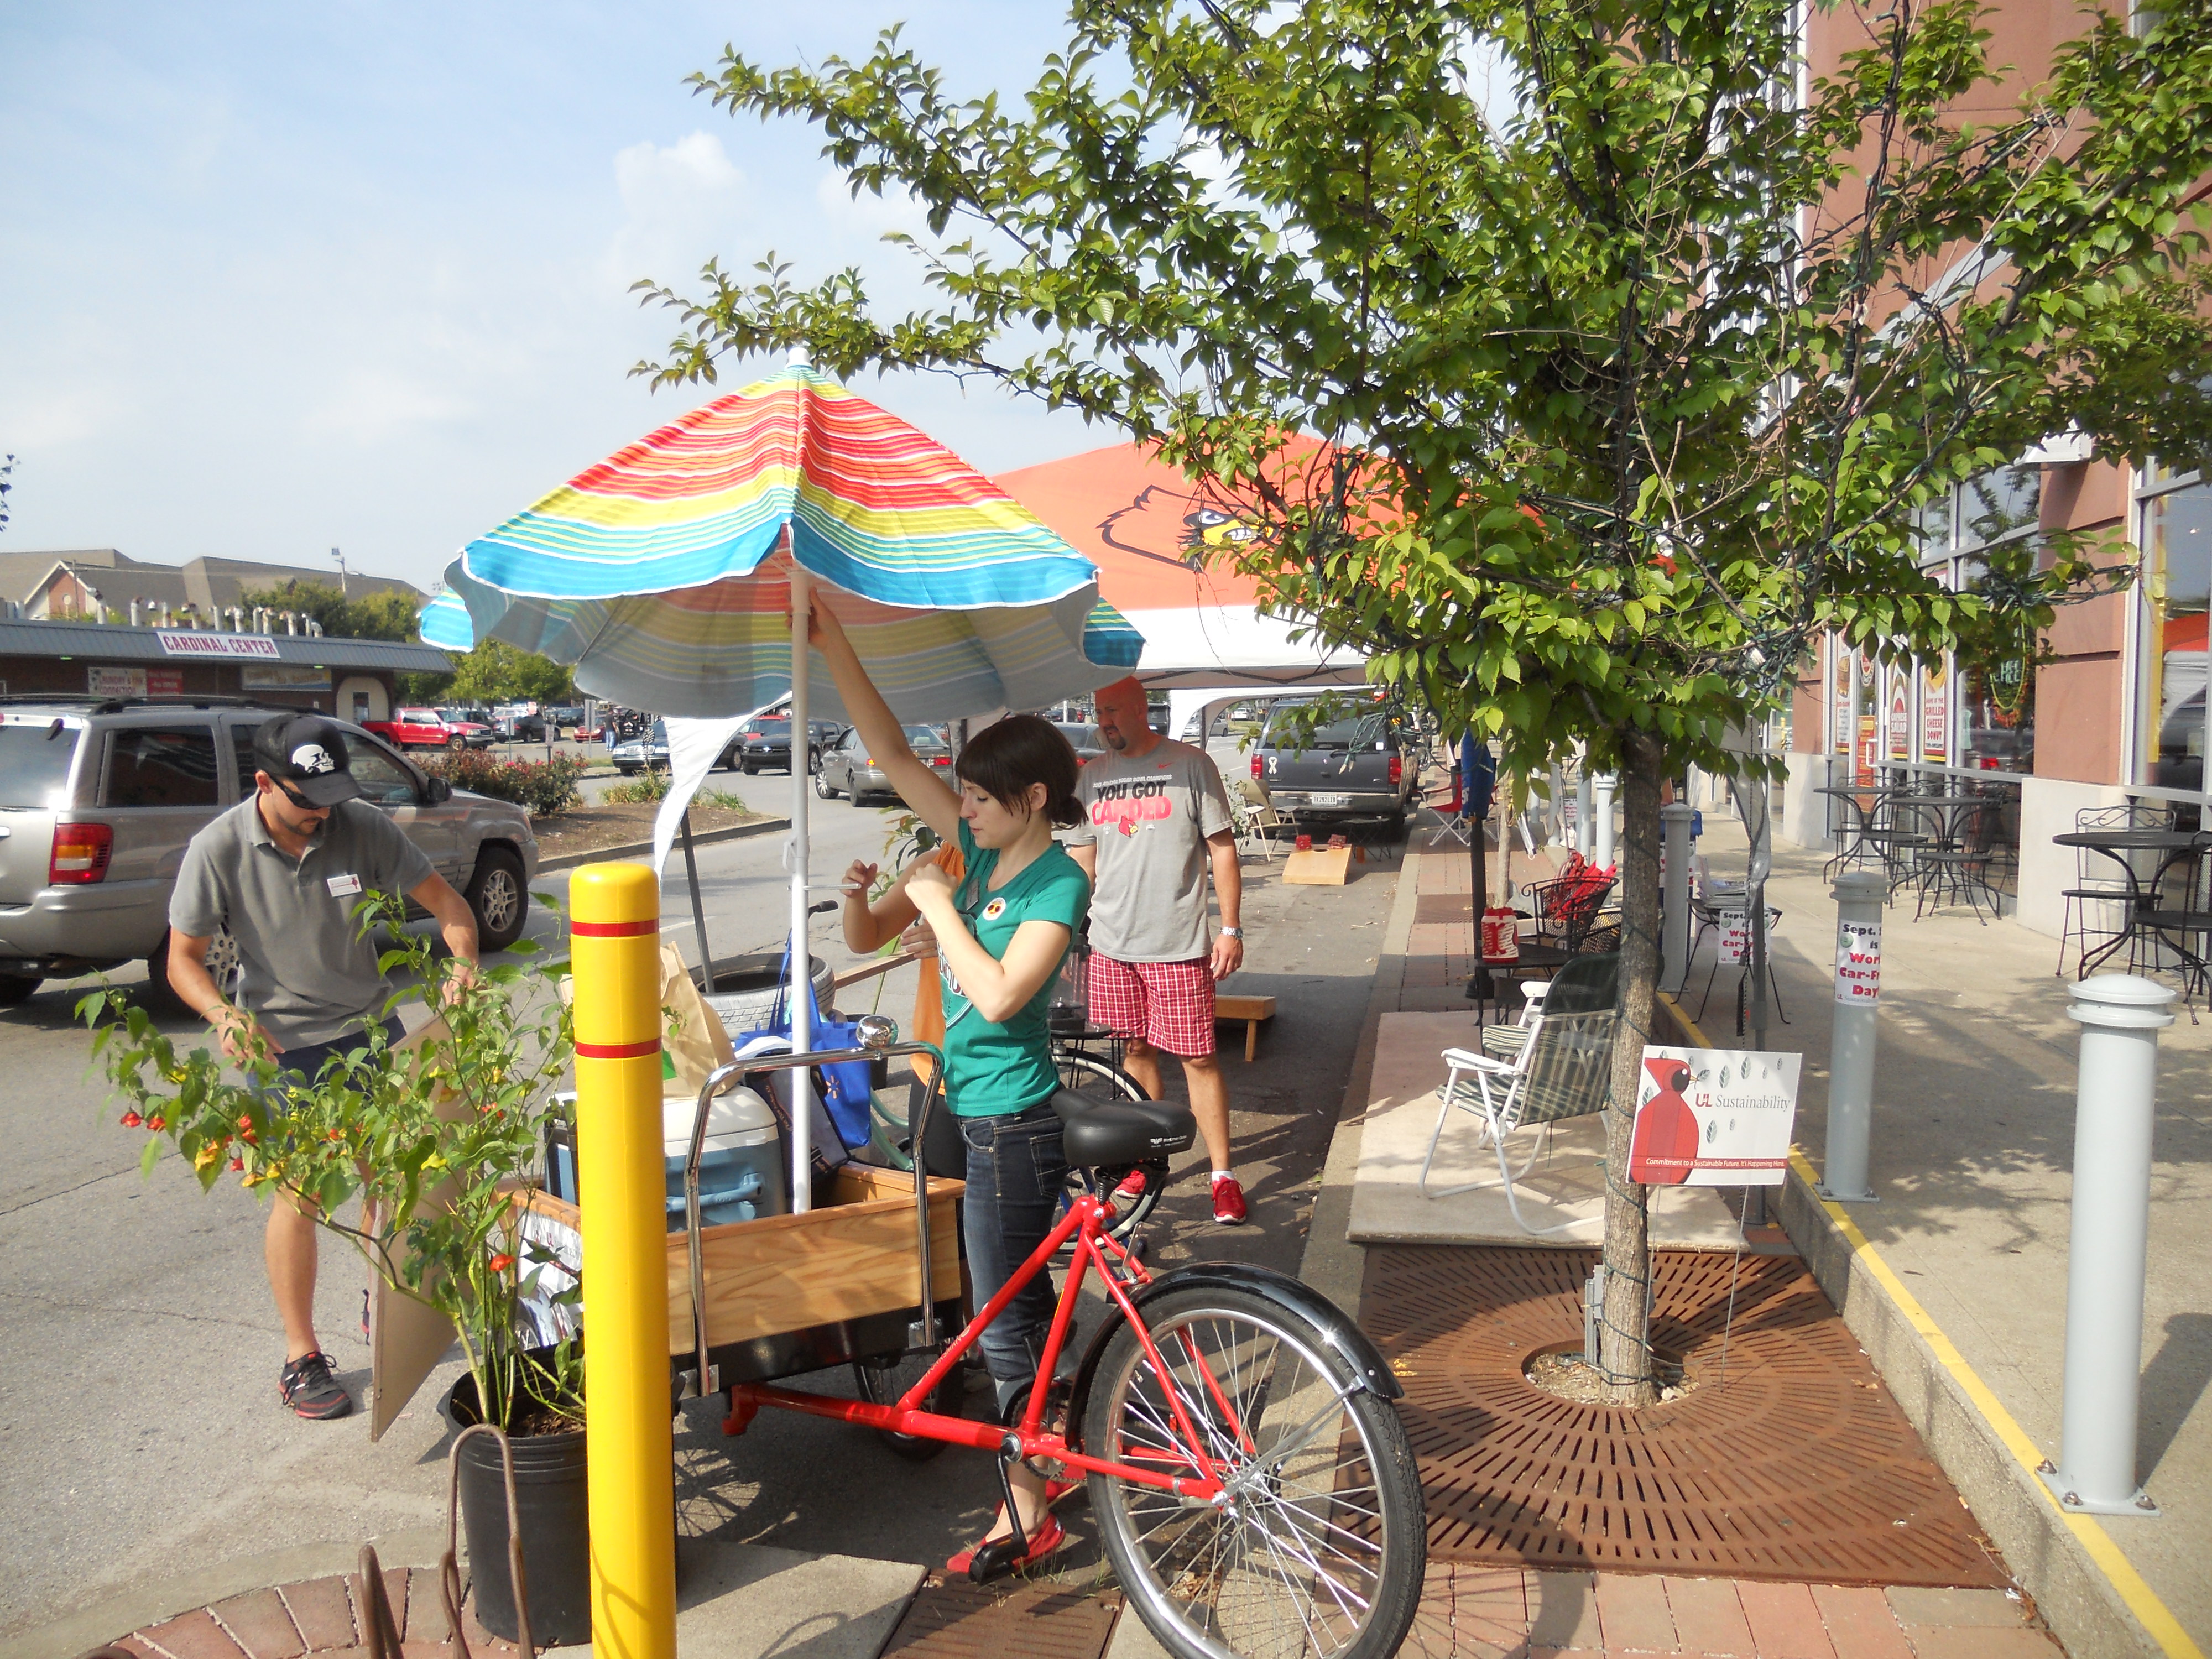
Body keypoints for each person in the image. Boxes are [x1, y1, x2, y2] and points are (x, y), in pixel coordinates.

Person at [811, 599, 1090, 1578]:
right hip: (958, 1107)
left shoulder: (1059, 881)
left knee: (1004, 1321)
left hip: (1011, 1120)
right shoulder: (971, 852)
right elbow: (888, 751)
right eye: (962, 796)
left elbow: (1005, 993)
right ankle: (1057, 1448)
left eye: (979, 798)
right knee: (1008, 1297)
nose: (961, 809)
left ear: (1036, 799)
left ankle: (1028, 1514)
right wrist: (827, 640)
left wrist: (936, 906)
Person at [167, 713, 483, 1420]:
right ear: (263, 783)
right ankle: (300, 1356)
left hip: (371, 1036)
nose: (320, 813)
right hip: (284, 1046)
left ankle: (390, 1300)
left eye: (330, 796)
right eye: (305, 799)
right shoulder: (218, 848)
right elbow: (182, 962)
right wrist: (225, 1015)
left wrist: (462, 967)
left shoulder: (361, 827)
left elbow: (451, 907)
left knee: (394, 1179)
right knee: (303, 1194)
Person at [1063, 677, 1248, 1224]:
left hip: (1177, 945)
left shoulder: (1191, 766)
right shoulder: (1089, 779)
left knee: (1197, 1057)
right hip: (1111, 945)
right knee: (1135, 1054)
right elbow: (1082, 863)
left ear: (1144, 709)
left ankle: (1222, 1176)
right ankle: (1146, 1156)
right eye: (1099, 712)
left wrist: (1231, 929)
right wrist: (1063, 928)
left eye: (1113, 710)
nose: (1104, 721)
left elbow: (1222, 851)